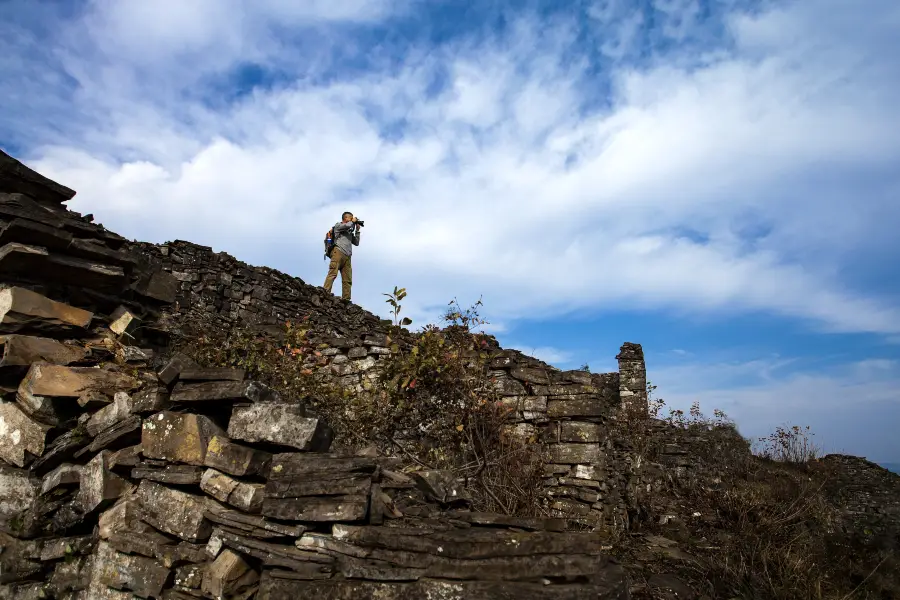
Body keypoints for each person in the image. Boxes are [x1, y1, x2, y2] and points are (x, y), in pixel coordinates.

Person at [323, 211, 361, 300]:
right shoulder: (338, 226)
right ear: (345, 219)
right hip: (338, 252)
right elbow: (347, 225)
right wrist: (353, 222)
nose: (353, 220)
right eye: (351, 218)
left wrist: (357, 231)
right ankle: (325, 292)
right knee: (333, 273)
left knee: (347, 280)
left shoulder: (349, 232)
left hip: (347, 256)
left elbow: (356, 243)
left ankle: (346, 300)